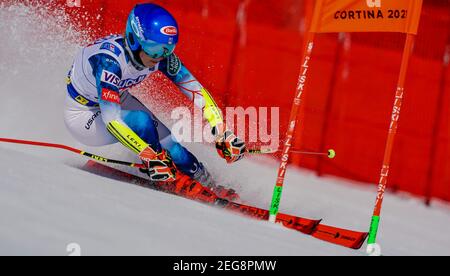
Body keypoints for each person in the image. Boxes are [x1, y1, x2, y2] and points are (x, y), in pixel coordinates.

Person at [64, 3, 246, 200]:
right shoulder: (109, 62)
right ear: (134, 39)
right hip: (85, 114)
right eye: (154, 48)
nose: (160, 56)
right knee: (142, 122)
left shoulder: (159, 57)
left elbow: (196, 90)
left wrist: (221, 130)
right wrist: (147, 154)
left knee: (174, 147)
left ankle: (208, 184)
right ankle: (168, 178)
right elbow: (111, 120)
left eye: (168, 48)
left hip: (117, 99)